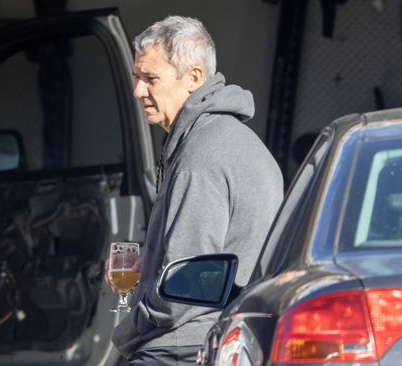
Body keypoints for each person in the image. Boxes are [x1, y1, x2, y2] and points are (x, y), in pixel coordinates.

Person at [110, 15, 284, 365]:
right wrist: (150, 265)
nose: (138, 91)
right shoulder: (225, 139)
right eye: (136, 78)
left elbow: (184, 290)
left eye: (150, 79)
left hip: (182, 350)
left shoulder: (202, 156)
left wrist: (130, 328)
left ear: (193, 78)